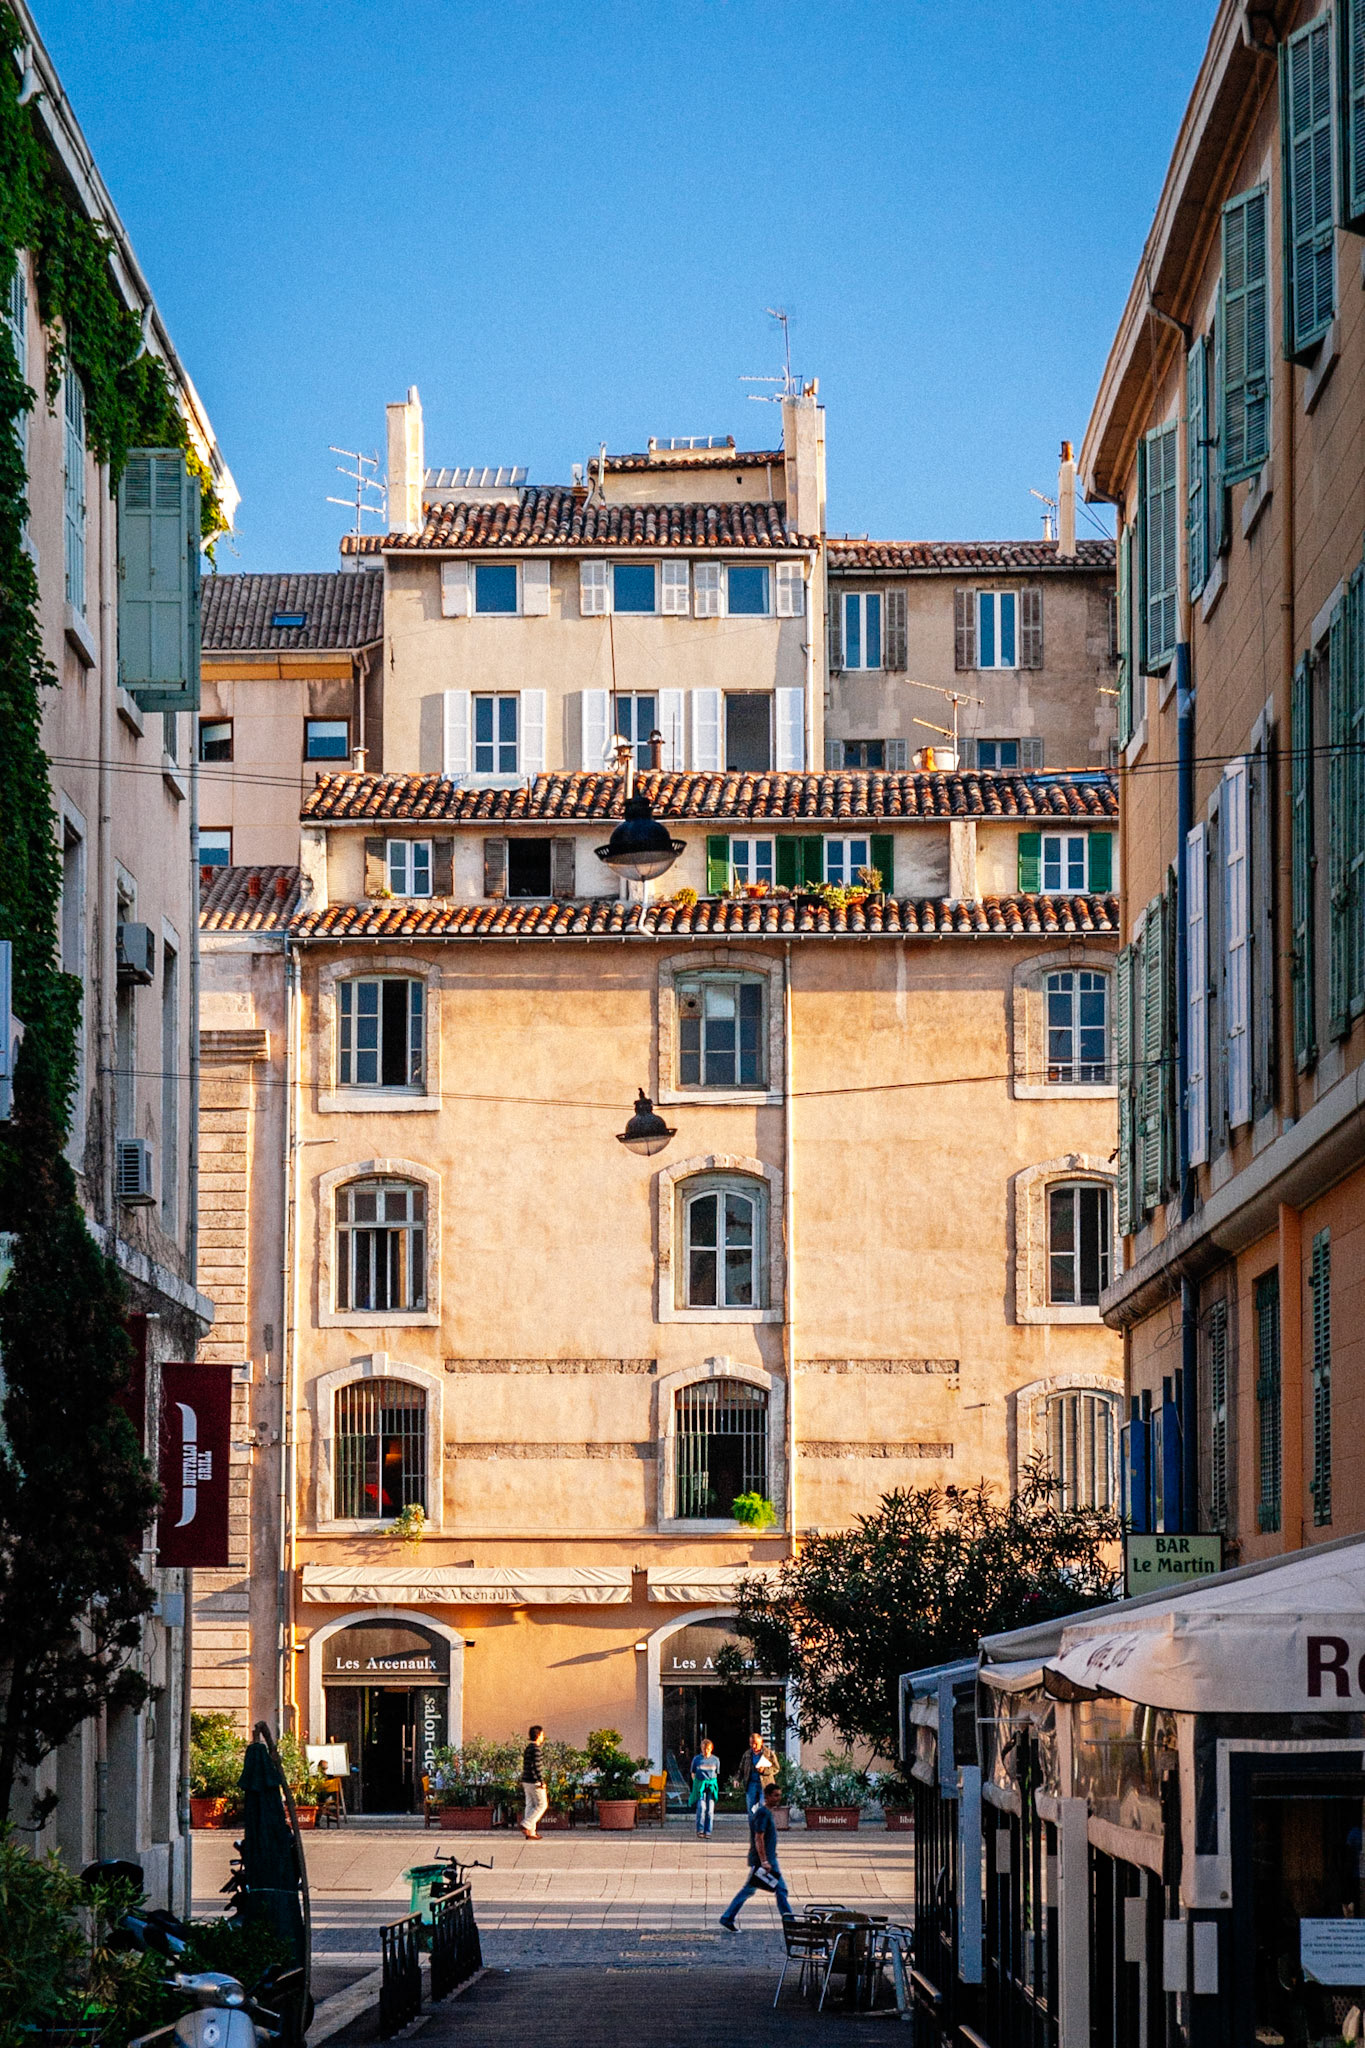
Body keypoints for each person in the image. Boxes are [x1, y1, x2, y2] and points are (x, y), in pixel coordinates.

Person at [719, 1789, 791, 1929]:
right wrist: (764, 1860)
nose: (778, 1798)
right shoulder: (763, 1814)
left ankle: (727, 1917)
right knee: (780, 1890)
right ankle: (790, 1921)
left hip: (768, 1859)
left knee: (751, 1890)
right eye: (775, 1795)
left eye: (779, 1795)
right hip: (764, 1862)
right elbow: (759, 1837)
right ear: (767, 1796)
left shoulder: (766, 1813)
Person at [738, 1730, 778, 1815]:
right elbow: (741, 1769)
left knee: (762, 1806)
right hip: (751, 1784)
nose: (754, 1746)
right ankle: (754, 1826)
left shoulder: (768, 1753)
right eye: (751, 1744)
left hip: (765, 1784)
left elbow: (776, 1768)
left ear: (761, 1742)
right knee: (751, 1808)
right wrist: (737, 1779)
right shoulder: (747, 1754)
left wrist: (764, 1770)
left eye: (756, 1743)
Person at [520, 1724, 547, 1840]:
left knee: (530, 1805)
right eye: (542, 1734)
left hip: (526, 1780)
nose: (543, 1737)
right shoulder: (536, 1749)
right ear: (538, 1735)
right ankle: (527, 1824)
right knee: (542, 1805)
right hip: (534, 1781)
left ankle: (530, 1832)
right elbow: (537, 1766)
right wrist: (541, 1780)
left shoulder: (528, 1748)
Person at [690, 1737, 720, 1838]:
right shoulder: (697, 1759)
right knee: (701, 1807)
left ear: (711, 1749)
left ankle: (708, 1831)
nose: (705, 1751)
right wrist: (696, 1783)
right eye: (704, 1749)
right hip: (700, 1785)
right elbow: (693, 1773)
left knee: (710, 1810)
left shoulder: (715, 1760)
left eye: (707, 1749)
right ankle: (700, 1830)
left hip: (710, 1785)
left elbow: (716, 1774)